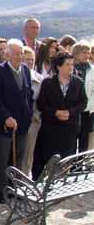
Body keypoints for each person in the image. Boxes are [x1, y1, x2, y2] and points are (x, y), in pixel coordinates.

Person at [0, 39, 34, 204]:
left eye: (22, 53)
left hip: (22, 124)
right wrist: (6, 117)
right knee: (2, 160)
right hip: (4, 126)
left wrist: (28, 115)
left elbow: (29, 95)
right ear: (6, 54)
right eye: (16, 53)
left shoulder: (25, 70)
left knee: (18, 158)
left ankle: (16, 189)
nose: (20, 56)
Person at [32, 51, 87, 179]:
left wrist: (70, 112)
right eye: (67, 64)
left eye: (72, 64)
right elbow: (41, 103)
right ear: (59, 66)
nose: (70, 67)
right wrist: (55, 112)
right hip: (51, 129)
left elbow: (83, 102)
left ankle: (61, 185)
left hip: (69, 129)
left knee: (66, 160)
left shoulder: (78, 82)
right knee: (48, 158)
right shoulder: (48, 82)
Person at [21, 47, 44, 178]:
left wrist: (35, 116)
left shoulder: (40, 79)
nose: (30, 62)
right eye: (27, 59)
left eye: (32, 59)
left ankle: (25, 179)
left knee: (29, 154)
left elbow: (42, 101)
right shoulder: (16, 77)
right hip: (17, 121)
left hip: (33, 122)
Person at [72, 41, 93, 152]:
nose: (87, 55)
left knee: (84, 143)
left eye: (88, 52)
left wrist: (86, 106)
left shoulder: (92, 70)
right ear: (76, 53)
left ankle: (80, 168)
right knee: (71, 141)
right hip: (72, 111)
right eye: (84, 52)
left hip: (87, 111)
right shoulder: (70, 68)